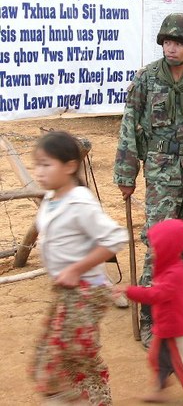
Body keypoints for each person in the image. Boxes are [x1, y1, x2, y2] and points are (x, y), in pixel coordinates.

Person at [113, 13, 183, 347]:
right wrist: (126, 175)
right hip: (161, 175)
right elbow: (129, 127)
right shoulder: (146, 79)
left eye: (177, 42)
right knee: (159, 248)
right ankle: (151, 318)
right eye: (166, 41)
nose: (171, 47)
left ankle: (179, 307)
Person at [31, 131, 128, 405]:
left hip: (86, 292)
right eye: (37, 164)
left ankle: (80, 398)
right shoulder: (52, 197)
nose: (39, 171)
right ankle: (92, 397)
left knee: (69, 352)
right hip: (67, 290)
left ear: (70, 166)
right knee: (67, 353)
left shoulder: (81, 203)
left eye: (46, 164)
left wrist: (76, 269)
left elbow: (116, 238)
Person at [116, 219, 183, 405]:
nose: (152, 251)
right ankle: (159, 388)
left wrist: (129, 291)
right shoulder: (168, 268)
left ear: (167, 248)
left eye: (155, 247)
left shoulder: (173, 274)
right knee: (157, 358)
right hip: (166, 326)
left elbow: (156, 295)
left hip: (179, 329)